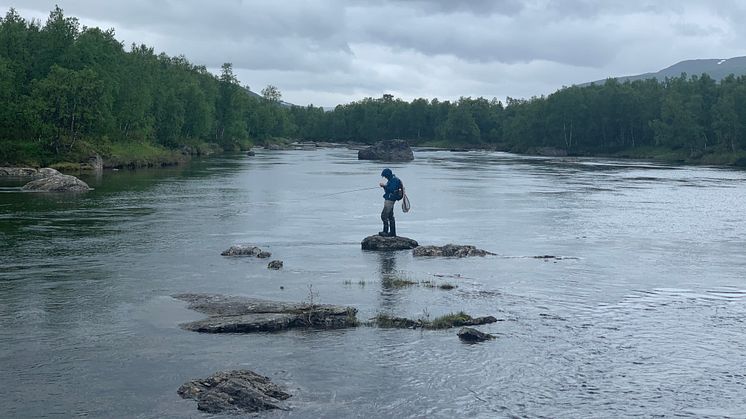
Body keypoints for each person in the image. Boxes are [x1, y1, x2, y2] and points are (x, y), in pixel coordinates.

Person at [379, 168, 403, 237]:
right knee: (390, 216)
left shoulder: (394, 180)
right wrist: (384, 187)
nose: (385, 177)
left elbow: (392, 190)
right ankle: (392, 232)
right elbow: (388, 190)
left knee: (384, 215)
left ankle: (385, 232)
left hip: (390, 200)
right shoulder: (391, 179)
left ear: (388, 175)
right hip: (389, 198)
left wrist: (384, 186)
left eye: (385, 176)